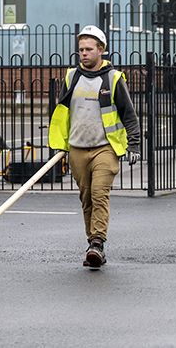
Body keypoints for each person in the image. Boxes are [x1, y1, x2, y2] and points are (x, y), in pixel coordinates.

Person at [49, 25, 141, 269]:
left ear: (101, 50)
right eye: (80, 50)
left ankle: (98, 243)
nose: (83, 54)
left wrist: (134, 144)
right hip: (78, 147)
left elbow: (128, 113)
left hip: (105, 148)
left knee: (100, 193)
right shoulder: (72, 77)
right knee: (87, 198)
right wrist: (61, 144)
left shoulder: (112, 78)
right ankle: (93, 244)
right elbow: (62, 112)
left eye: (89, 49)